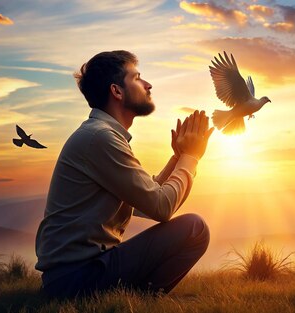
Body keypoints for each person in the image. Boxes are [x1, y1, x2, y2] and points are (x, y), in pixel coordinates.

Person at [35, 50, 214, 298]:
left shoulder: (100, 134)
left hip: (74, 275)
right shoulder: (101, 138)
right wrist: (190, 157)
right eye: (138, 77)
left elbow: (145, 199)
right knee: (196, 228)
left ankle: (139, 300)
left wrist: (178, 158)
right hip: (76, 279)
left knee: (192, 226)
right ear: (117, 91)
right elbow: (162, 207)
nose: (148, 84)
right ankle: (146, 298)